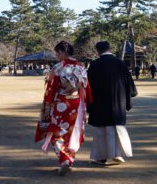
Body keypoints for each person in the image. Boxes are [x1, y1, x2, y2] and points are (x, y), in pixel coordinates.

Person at [35, 41, 93, 176]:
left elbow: (51, 88)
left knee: (56, 132)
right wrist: (87, 103)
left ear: (62, 52)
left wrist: (47, 105)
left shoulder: (58, 68)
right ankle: (69, 159)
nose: (56, 56)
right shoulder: (81, 67)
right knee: (73, 133)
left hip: (61, 103)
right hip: (77, 104)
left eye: (57, 53)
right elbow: (86, 88)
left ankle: (65, 160)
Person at [87, 41, 137, 165]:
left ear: (98, 51)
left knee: (102, 131)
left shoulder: (95, 65)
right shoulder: (120, 63)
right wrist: (128, 97)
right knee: (117, 128)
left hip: (99, 103)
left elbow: (88, 86)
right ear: (110, 48)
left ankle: (101, 157)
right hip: (118, 102)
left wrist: (88, 102)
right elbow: (129, 85)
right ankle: (118, 154)